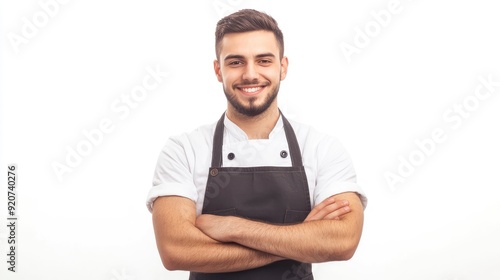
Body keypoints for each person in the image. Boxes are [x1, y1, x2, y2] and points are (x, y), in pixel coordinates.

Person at [146, 9, 368, 280]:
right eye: (236, 62)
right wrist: (299, 241)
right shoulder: (184, 150)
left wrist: (233, 228)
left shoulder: (321, 148)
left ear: (282, 67)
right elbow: (175, 250)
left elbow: (344, 241)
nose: (251, 74)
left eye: (263, 60)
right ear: (218, 70)